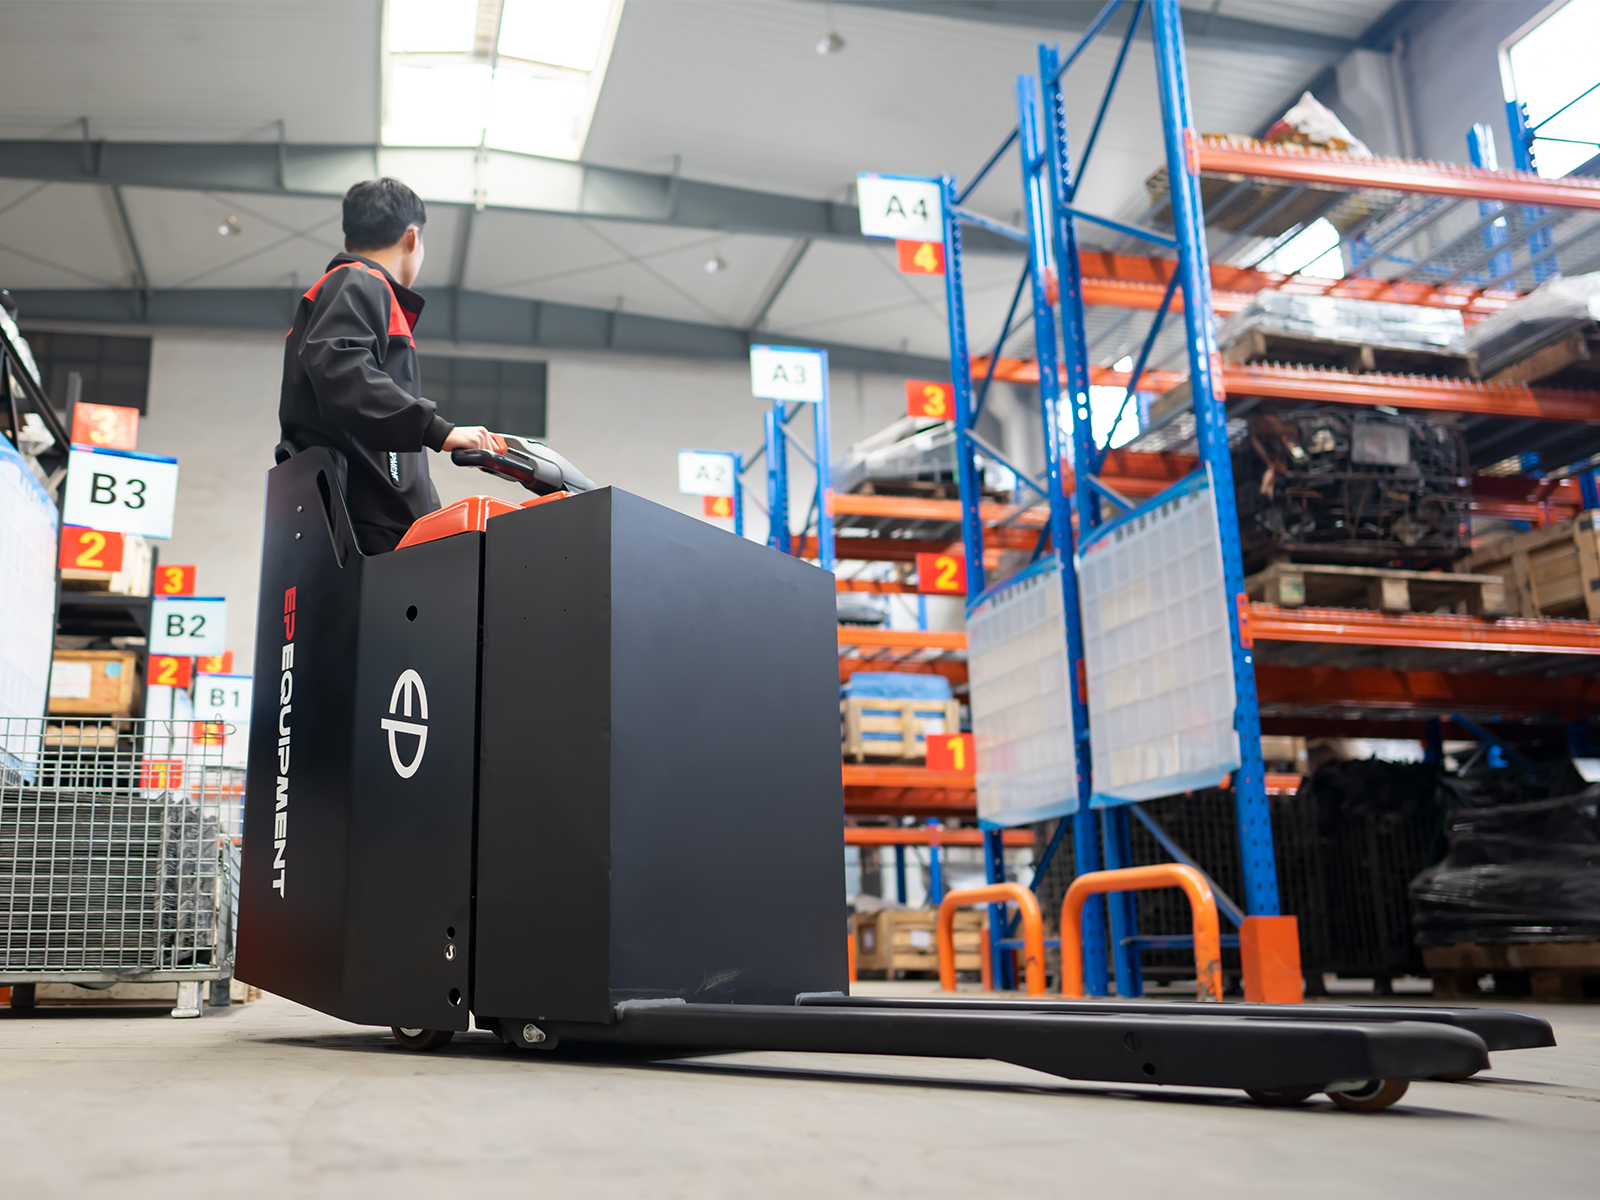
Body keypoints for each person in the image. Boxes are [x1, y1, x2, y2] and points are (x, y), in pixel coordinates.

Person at [277, 177, 499, 554]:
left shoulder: (353, 289)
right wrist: (438, 430)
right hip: (365, 522)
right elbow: (344, 373)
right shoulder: (358, 282)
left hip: (373, 518)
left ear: (348, 240)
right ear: (412, 238)